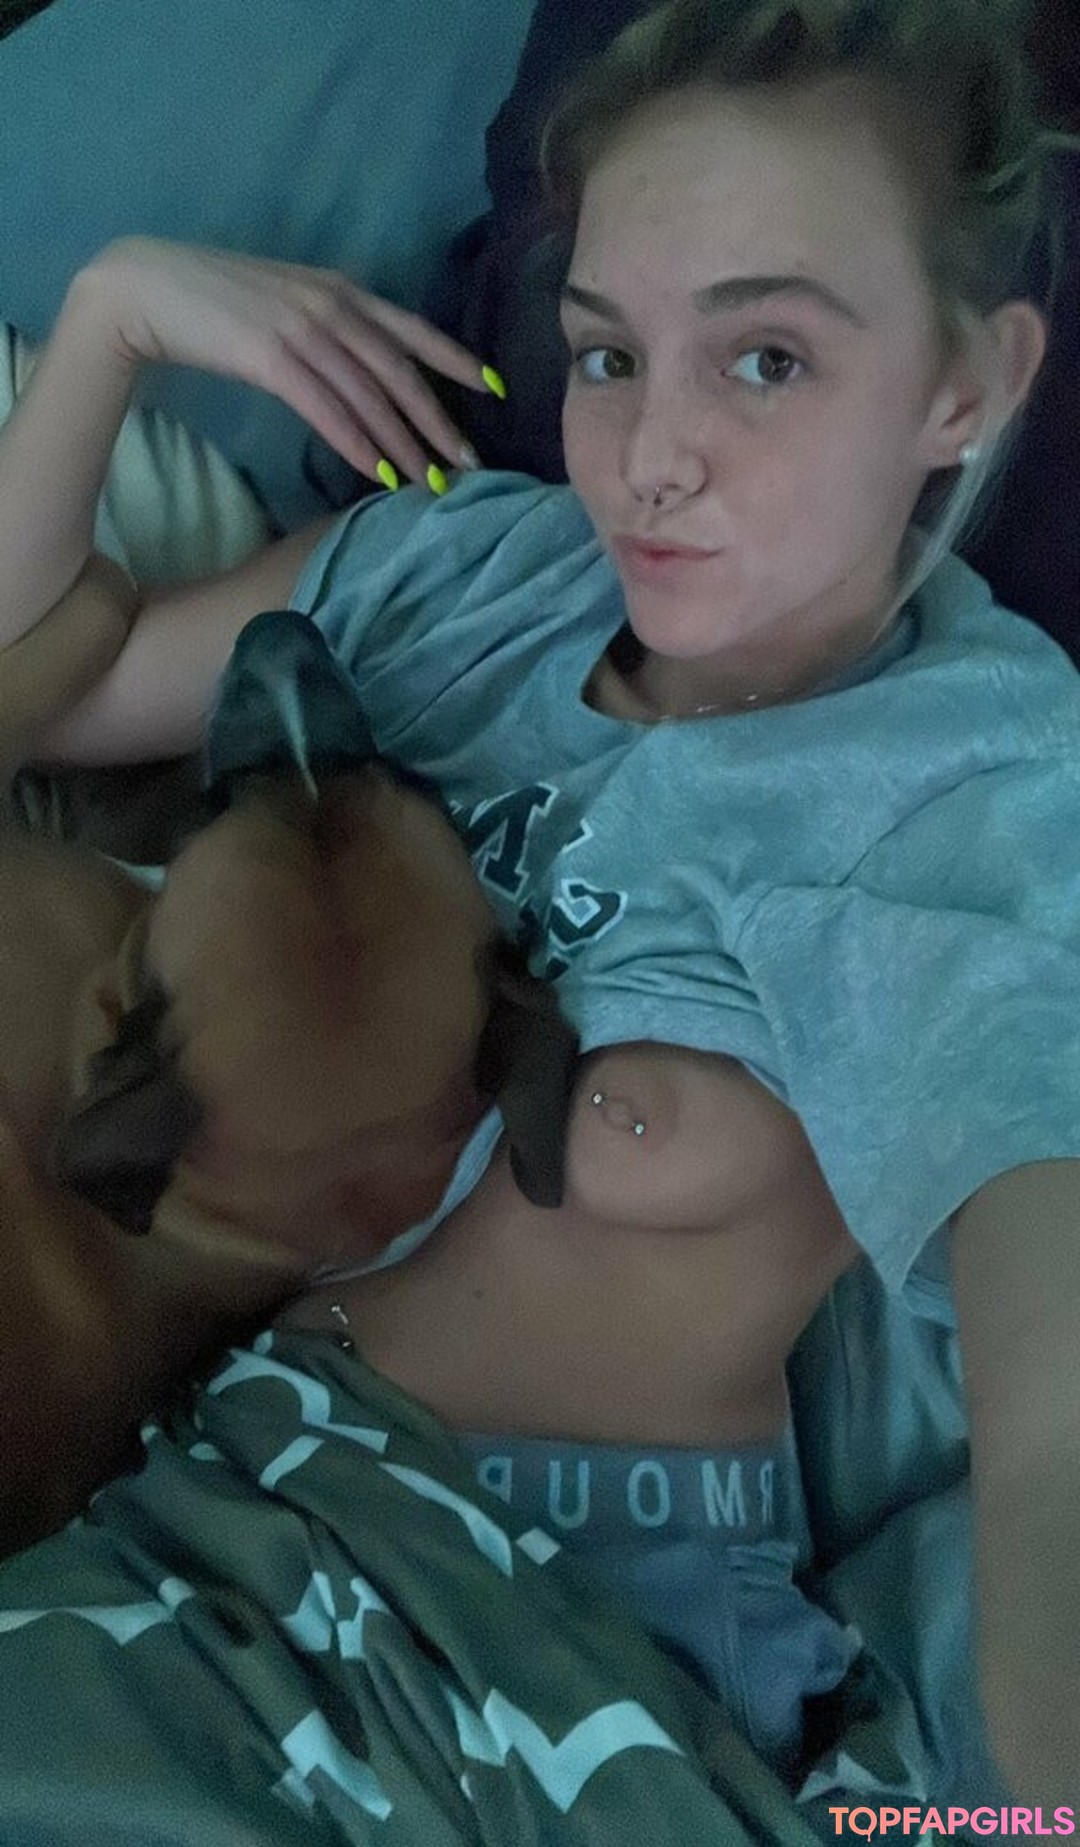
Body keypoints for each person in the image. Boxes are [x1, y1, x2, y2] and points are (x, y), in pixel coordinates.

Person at [0, 0, 1078, 1812]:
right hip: (171, 1504)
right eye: (605, 354)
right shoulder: (477, 572)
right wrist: (116, 317)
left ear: (966, 387)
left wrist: (1031, 1807)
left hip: (534, 1643)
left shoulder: (972, 788)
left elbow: (1055, 1431)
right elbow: (40, 682)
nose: (651, 456)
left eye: (765, 361)